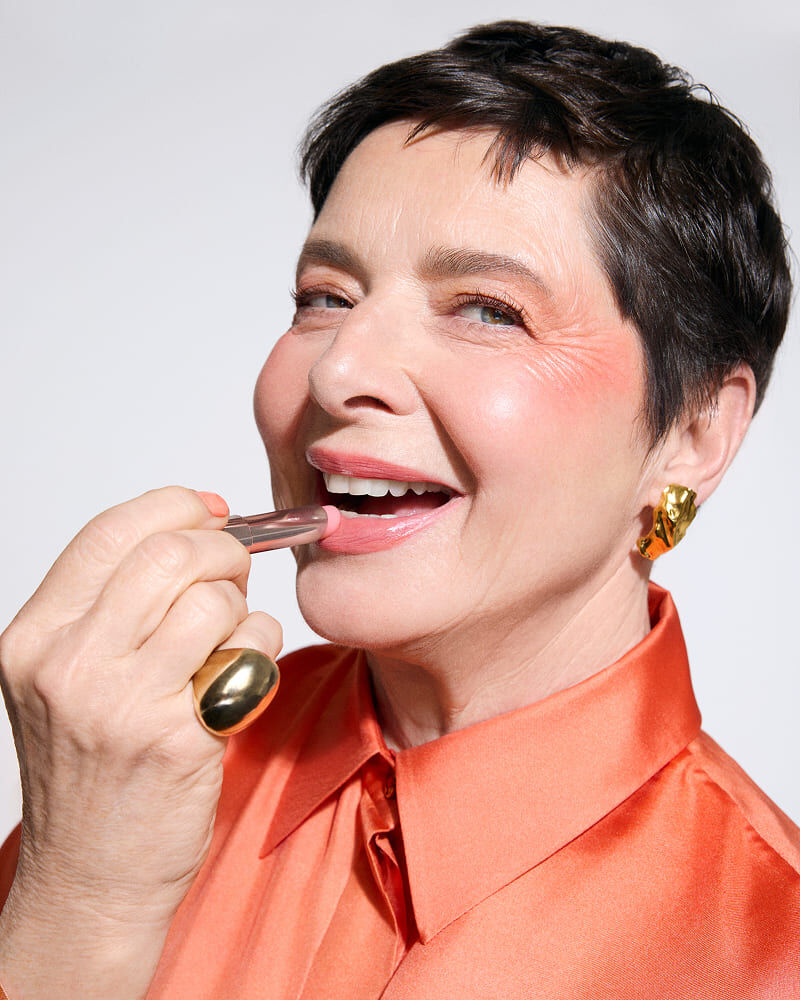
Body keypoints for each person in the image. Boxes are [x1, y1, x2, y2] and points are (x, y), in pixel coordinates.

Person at [0, 19, 798, 999]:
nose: (338, 372)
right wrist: (80, 894)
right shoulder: (127, 778)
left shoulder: (770, 952)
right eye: (324, 296)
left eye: (485, 309)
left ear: (692, 435)